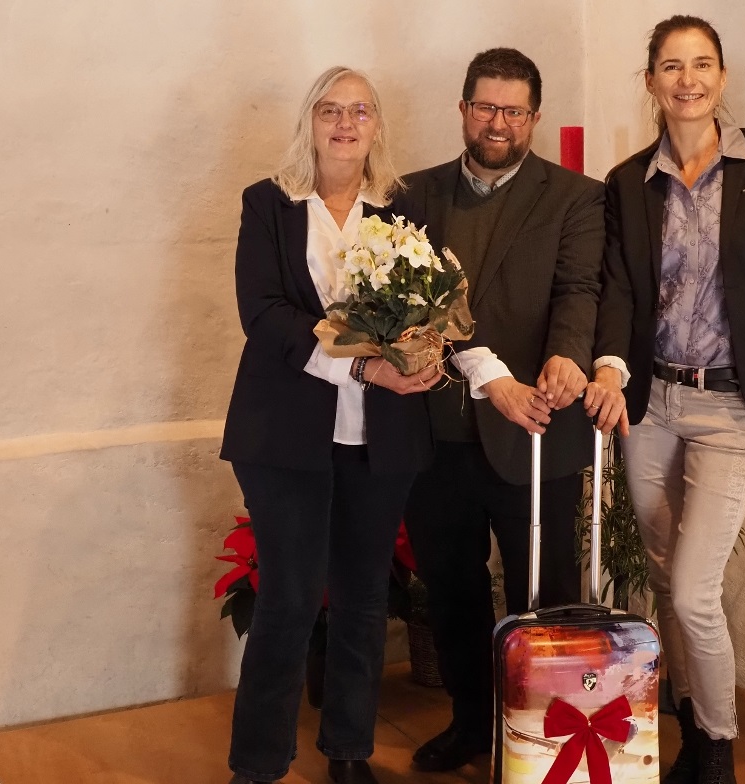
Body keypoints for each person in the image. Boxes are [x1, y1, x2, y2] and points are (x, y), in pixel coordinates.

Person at [583, 16, 745, 784]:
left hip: (731, 408)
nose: (687, 79)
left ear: (720, 77)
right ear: (650, 80)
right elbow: (621, 289)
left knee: (692, 590)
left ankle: (715, 747)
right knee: (661, 578)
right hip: (651, 405)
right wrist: (614, 369)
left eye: (702, 65)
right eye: (671, 66)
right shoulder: (629, 180)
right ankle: (688, 722)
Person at [219, 66, 442, 784]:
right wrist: (363, 366)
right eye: (330, 110)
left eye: (361, 111)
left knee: (364, 600)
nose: (346, 124)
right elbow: (264, 313)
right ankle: (258, 764)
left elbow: (430, 304)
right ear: (309, 121)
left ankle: (349, 753)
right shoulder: (270, 205)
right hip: (285, 439)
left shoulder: (401, 211)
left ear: (377, 126)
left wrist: (427, 350)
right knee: (287, 597)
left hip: (383, 441)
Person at [399, 48, 605, 773]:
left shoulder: (575, 197)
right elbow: (411, 311)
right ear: (461, 109)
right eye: (485, 106)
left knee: (543, 597)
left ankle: (546, 738)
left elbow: (580, 288)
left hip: (537, 428)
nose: (497, 122)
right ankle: (470, 722)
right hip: (438, 436)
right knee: (451, 590)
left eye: (513, 110)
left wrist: (567, 356)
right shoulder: (411, 196)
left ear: (535, 119)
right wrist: (490, 378)